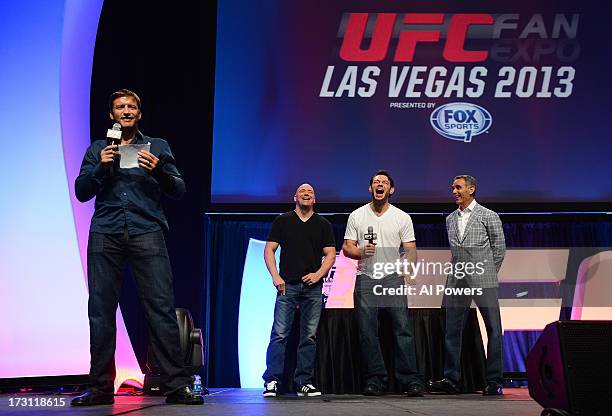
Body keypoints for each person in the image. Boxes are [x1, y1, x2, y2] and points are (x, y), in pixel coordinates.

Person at [72, 89, 202, 406]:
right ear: (111, 115)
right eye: (120, 106)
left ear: (139, 114)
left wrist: (158, 169)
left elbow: (179, 189)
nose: (126, 110)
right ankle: (101, 388)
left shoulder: (157, 146)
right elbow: (81, 192)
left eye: (131, 106)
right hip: (106, 232)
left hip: (147, 231)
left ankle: (176, 386)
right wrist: (100, 167)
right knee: (101, 312)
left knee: (160, 308)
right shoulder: (99, 148)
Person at [342, 170, 425, 397]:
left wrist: (408, 270)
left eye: (384, 183)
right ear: (370, 189)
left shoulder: (402, 217)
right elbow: (346, 247)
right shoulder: (357, 215)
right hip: (366, 277)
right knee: (367, 330)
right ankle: (375, 379)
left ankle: (410, 380)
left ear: (391, 189)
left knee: (402, 328)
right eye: (376, 182)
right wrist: (359, 251)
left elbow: (410, 249)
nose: (380, 185)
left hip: (392, 277)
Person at [430, 175, 506, 396]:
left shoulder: (488, 216)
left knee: (493, 328)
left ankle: (494, 380)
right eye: (452, 187)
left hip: (484, 280)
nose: (454, 191)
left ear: (471, 189)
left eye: (458, 187)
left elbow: (499, 249)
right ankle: (451, 379)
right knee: (452, 330)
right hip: (457, 280)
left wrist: (487, 273)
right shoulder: (450, 219)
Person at [262, 184, 336, 397]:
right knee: (279, 334)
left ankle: (304, 381)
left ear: (315, 199)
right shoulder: (282, 220)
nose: (306, 193)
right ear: (295, 197)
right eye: (302, 191)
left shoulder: (323, 224)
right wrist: (276, 277)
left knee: (309, 336)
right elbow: (269, 250)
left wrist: (318, 274)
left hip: (313, 288)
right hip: (288, 287)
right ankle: (272, 381)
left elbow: (330, 254)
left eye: (310, 192)